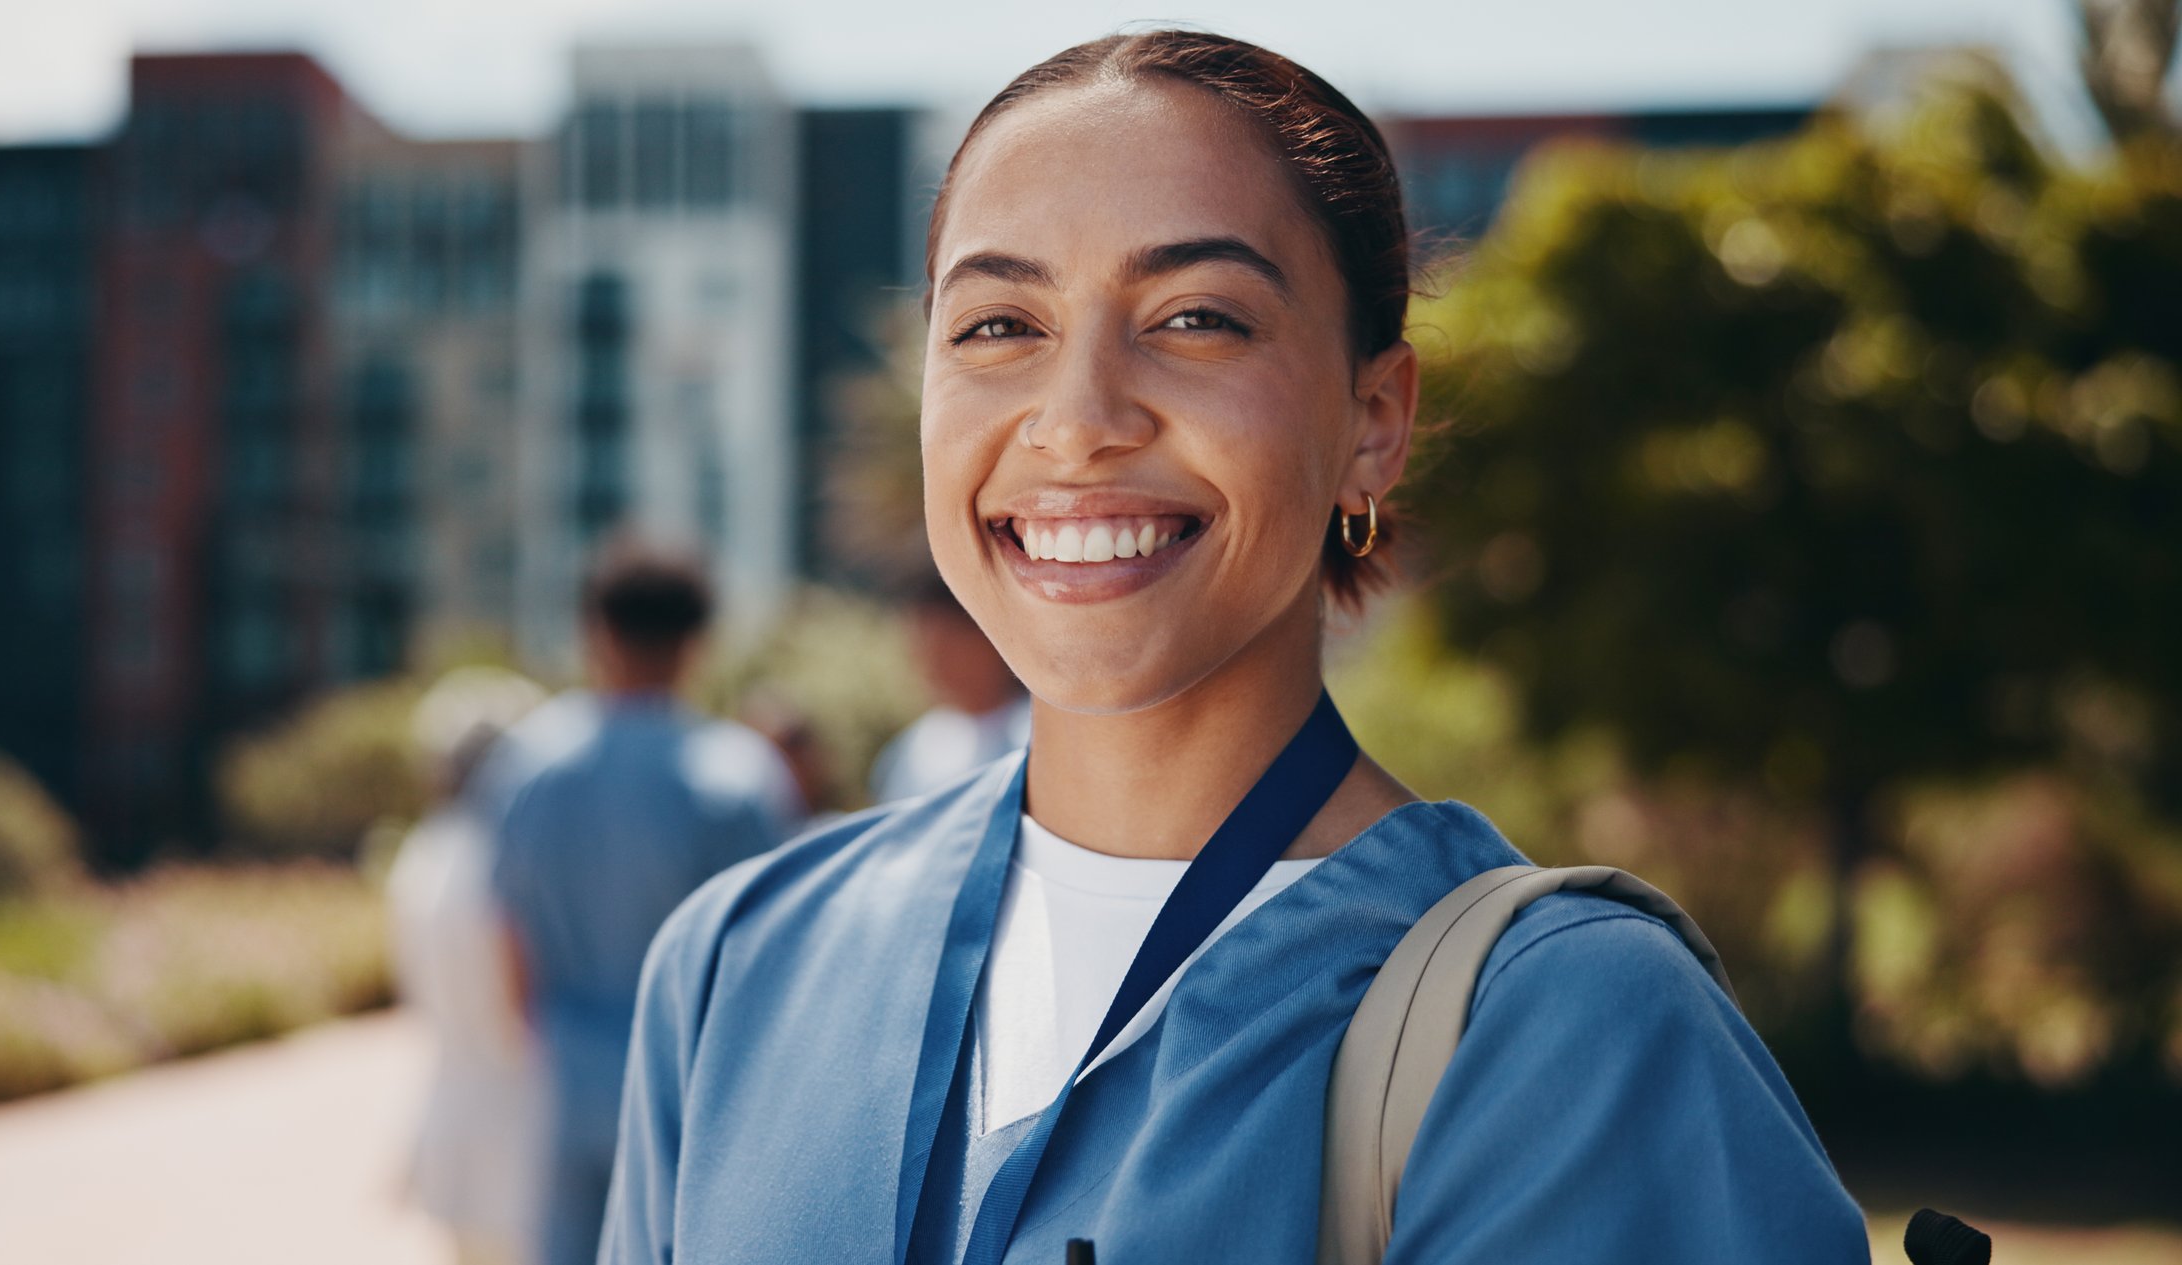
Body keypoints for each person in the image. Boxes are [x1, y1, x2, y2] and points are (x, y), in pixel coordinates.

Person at [600, 30, 1870, 1265]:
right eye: (999, 326)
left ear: (1374, 420)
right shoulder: (739, 967)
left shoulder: (1564, 1035)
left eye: (1197, 317)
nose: (1079, 419)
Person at [480, 548, 803, 1265]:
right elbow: (771, 956)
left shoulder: (529, 764)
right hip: (694, 1073)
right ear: (699, 643)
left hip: (566, 1060)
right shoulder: (739, 773)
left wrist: (541, 1042)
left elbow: (506, 931)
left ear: (593, 631)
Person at [384, 667, 551, 1265]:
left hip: (451, 1118)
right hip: (522, 1132)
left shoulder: (420, 855)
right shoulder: (510, 862)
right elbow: (520, 1009)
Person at [868, 575, 1031, 804]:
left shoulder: (1041, 734)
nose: (932, 661)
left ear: (989, 637)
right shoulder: (910, 751)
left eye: (945, 643)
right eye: (922, 643)